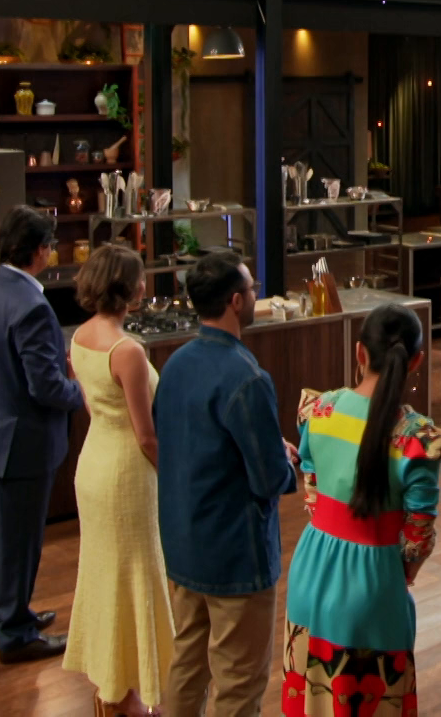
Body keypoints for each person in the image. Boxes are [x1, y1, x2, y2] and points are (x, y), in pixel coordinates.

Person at [283, 305, 441, 717]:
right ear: (416, 361)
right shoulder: (416, 438)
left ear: (360, 353)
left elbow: (313, 491)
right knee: (369, 698)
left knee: (312, 690)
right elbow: (418, 536)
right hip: (374, 581)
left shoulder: (319, 411)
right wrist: (402, 574)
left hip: (311, 568)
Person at [155, 252, 298, 717]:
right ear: (236, 301)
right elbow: (268, 478)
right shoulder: (246, 376)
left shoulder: (175, 364)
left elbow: (190, 441)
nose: (256, 295)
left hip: (183, 540)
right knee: (239, 680)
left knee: (188, 662)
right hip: (234, 552)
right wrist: (285, 462)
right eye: (252, 289)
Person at [0, 205, 83, 663]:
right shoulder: (32, 306)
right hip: (24, 443)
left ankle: (2, 618)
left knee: (1, 537)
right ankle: (15, 633)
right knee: (22, 542)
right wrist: (82, 390)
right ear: (39, 251)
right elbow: (46, 387)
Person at [64, 245, 175, 717]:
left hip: (93, 462)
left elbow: (93, 406)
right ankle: (126, 690)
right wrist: (172, 478)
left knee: (105, 573)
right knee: (137, 574)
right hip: (125, 473)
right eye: (140, 279)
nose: (145, 285)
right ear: (128, 289)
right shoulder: (126, 350)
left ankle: (112, 686)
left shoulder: (79, 337)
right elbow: (145, 435)